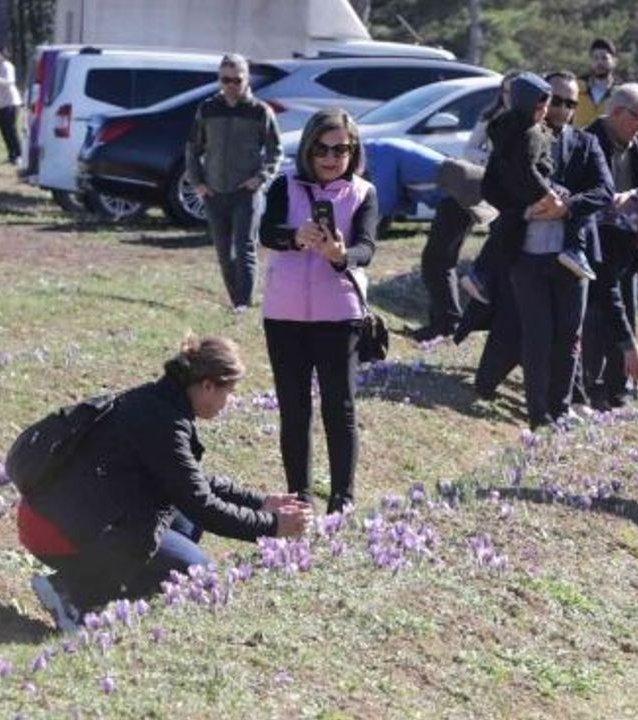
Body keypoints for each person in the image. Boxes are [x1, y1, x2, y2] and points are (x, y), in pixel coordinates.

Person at [21, 336, 311, 630]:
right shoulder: (164, 422)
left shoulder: (160, 402)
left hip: (59, 509)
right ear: (208, 385)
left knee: (185, 523)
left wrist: (259, 503)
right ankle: (72, 590)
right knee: (195, 573)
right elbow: (202, 505)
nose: (230, 401)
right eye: (229, 391)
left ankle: (97, 585)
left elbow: (190, 482)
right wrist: (271, 526)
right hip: (53, 527)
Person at [258, 109, 378, 514]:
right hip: (284, 314)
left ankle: (342, 501)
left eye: (341, 149)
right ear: (308, 148)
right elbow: (266, 232)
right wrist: (296, 236)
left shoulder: (363, 192)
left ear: (353, 150)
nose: (331, 157)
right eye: (322, 149)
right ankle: (300, 500)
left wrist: (341, 255)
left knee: (339, 407)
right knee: (294, 410)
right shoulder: (283, 185)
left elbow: (367, 247)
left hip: (339, 314)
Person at [472, 72, 613, 407]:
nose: (562, 109)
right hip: (523, 249)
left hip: (569, 249)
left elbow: (604, 191)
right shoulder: (516, 134)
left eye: (571, 103)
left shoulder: (586, 143)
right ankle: (524, 402)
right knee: (522, 329)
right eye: (556, 100)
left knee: (568, 335)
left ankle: (559, 407)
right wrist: (525, 210)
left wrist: (565, 207)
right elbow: (491, 186)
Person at [407, 72, 516, 342]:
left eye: (514, 92)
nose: (508, 97)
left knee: (443, 258)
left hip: (491, 195)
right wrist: (491, 158)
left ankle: (449, 321)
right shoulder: (491, 117)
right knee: (439, 256)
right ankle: (444, 319)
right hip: (470, 187)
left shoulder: (526, 127)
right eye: (505, 91)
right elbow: (470, 151)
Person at [186, 54, 283, 314]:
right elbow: (193, 148)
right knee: (223, 251)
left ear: (246, 79)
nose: (230, 85)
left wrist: (261, 178)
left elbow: (276, 150)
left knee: (245, 247)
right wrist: (198, 183)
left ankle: (243, 304)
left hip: (246, 192)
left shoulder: (260, 111)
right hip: (214, 191)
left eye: (236, 79)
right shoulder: (207, 109)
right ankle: (235, 300)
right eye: (225, 79)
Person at [582, 84, 638, 409]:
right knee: (597, 318)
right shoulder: (588, 144)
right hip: (595, 245)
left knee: (627, 308)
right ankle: (588, 384)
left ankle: (621, 385)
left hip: (628, 247)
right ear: (616, 113)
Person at [574, 38, 620, 128]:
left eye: (604, 58)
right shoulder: (576, 87)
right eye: (596, 58)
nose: (599, 62)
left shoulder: (619, 93)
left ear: (614, 61)